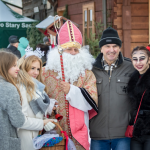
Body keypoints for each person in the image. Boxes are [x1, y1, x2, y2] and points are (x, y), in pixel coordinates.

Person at [42, 20, 98, 150]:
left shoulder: (87, 74)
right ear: (59, 50)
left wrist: (72, 91)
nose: (73, 52)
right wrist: (48, 106)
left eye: (76, 49)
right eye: (68, 49)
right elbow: (36, 98)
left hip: (78, 131)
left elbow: (93, 100)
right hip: (53, 129)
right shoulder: (45, 72)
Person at [90, 27, 134, 150]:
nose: (111, 50)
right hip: (97, 133)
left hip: (123, 134)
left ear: (119, 48)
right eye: (107, 46)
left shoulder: (130, 68)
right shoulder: (90, 69)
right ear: (101, 48)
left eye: (115, 46)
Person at [17, 50, 56, 150]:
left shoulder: (36, 88)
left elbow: (36, 113)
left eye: (38, 69)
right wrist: (42, 123)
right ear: (24, 68)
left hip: (35, 136)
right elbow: (21, 120)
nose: (36, 72)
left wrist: (45, 121)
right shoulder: (22, 88)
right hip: (25, 138)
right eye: (32, 68)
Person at [0, 51, 25, 150]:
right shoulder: (8, 88)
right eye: (14, 65)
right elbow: (18, 121)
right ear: (5, 66)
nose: (18, 69)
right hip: (5, 141)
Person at [127, 46, 150, 150]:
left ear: (149, 60)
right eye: (135, 59)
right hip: (136, 129)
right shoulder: (133, 78)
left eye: (142, 58)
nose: (138, 62)